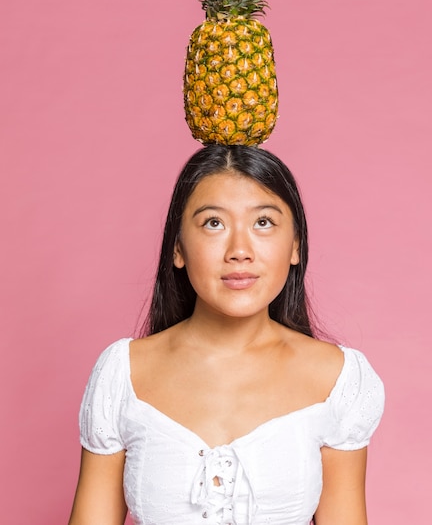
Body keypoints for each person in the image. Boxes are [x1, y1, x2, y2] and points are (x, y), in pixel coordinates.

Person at [69, 144, 384, 525]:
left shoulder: (339, 379)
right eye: (213, 223)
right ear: (178, 248)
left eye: (263, 222)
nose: (239, 251)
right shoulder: (122, 374)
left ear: (296, 245)